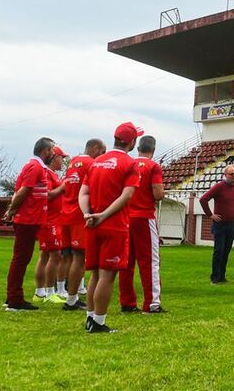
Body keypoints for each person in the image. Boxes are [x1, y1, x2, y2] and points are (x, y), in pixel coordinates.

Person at [79, 122, 143, 334]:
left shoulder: (96, 162)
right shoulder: (130, 164)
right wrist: (104, 215)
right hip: (114, 225)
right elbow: (127, 196)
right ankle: (98, 321)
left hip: (92, 224)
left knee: (95, 274)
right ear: (132, 142)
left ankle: (90, 317)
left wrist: (87, 213)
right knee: (107, 275)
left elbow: (84, 193)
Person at [2, 137, 58, 311]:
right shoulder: (35, 167)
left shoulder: (36, 167)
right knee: (20, 259)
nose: (54, 154)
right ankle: (14, 299)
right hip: (27, 219)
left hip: (30, 219)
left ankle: (13, 296)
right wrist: (11, 211)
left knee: (22, 258)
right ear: (46, 151)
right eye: (52, 150)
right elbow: (23, 191)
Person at [119, 135, 166, 314]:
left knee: (126, 261)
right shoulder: (153, 166)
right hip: (144, 216)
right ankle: (152, 303)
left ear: (138, 147)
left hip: (126, 216)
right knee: (150, 261)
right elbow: (157, 193)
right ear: (153, 150)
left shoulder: (128, 164)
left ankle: (127, 302)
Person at [59, 138, 104, 311]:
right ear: (95, 148)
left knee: (69, 257)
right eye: (101, 152)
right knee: (79, 258)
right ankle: (71, 299)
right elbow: (91, 188)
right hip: (79, 215)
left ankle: (71, 293)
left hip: (66, 212)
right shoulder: (90, 163)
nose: (101, 156)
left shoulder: (73, 162)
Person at [200, 164, 234, 284]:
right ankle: (215, 277)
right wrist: (210, 215)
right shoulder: (219, 186)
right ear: (225, 175)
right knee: (219, 251)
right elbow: (203, 199)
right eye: (231, 174)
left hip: (231, 224)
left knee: (226, 251)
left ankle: (222, 276)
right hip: (220, 224)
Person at [33, 146, 67, 305]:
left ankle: (40, 292)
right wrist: (63, 187)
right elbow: (47, 195)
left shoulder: (52, 174)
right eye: (62, 157)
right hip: (50, 221)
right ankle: (49, 291)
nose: (63, 161)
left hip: (52, 220)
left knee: (45, 255)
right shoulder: (47, 173)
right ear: (54, 158)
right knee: (55, 255)